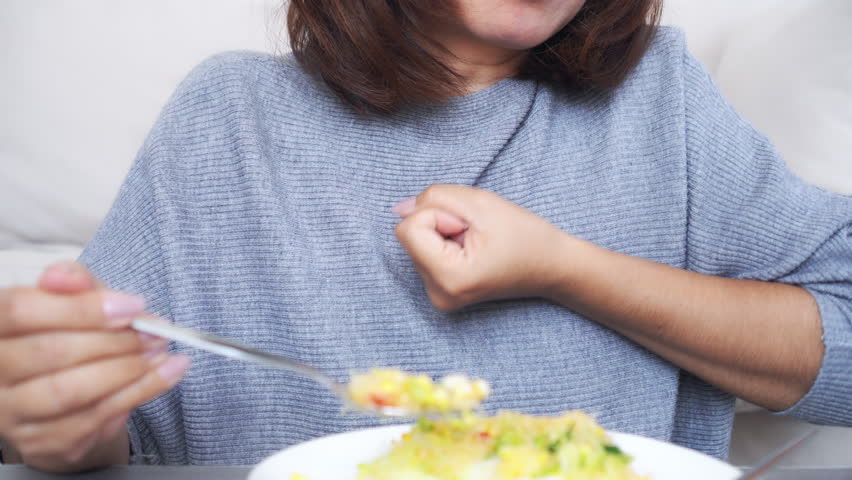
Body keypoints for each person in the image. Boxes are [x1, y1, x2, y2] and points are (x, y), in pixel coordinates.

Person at [1, 0, 851, 473]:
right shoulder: (226, 119)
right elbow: (124, 429)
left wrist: (567, 269)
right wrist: (62, 416)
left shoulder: (661, 102)